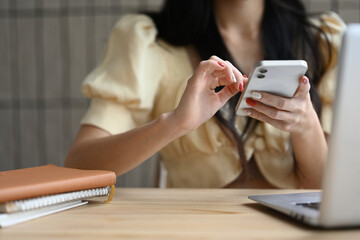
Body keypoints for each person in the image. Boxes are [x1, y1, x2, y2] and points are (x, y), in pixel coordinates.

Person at [65, 0, 346, 189]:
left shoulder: (325, 42)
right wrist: (175, 123)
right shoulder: (148, 41)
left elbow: (328, 191)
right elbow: (80, 166)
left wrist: (306, 125)